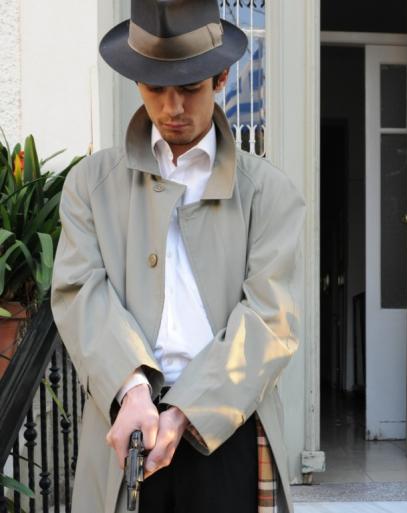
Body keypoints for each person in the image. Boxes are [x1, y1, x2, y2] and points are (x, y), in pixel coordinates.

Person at [50, 1, 305, 512]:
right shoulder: (91, 185)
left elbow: (270, 318)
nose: (172, 108)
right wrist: (134, 391)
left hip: (226, 427)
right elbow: (80, 294)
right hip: (125, 425)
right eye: (154, 88)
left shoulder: (268, 191)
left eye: (189, 88)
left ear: (221, 78)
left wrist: (186, 410)